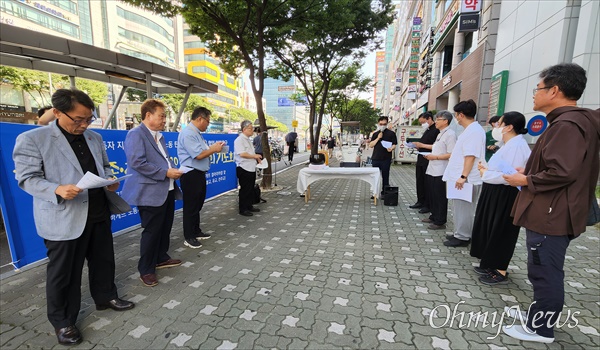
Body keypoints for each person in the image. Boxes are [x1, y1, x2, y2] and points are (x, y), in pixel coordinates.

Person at [12, 88, 134, 346]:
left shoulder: (94, 138)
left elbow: (105, 166)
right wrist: (56, 189)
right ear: (57, 112)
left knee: (103, 260)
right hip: (63, 215)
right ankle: (63, 321)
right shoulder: (33, 139)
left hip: (98, 210)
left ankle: (105, 297)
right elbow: (26, 178)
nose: (83, 124)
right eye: (78, 119)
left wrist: (110, 180)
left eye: (88, 119)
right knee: (64, 273)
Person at [502, 63, 599, 343]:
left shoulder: (567, 124)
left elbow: (562, 171)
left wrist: (525, 181)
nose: (535, 94)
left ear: (554, 90)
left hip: (551, 213)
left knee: (545, 270)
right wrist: (529, 173)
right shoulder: (570, 122)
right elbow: (562, 166)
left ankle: (541, 328)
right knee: (542, 268)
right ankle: (538, 316)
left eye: (539, 88)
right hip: (554, 209)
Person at [121, 99, 184, 288]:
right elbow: (137, 162)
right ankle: (146, 269)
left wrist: (172, 170)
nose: (165, 120)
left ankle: (160, 257)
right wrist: (165, 172)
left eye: (165, 116)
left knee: (165, 227)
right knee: (151, 231)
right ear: (148, 115)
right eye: (162, 116)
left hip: (167, 189)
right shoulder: (136, 134)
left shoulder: (159, 136)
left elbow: (163, 160)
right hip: (149, 192)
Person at [470, 112, 531, 285]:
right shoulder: (507, 144)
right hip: (495, 191)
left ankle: (500, 270)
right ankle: (489, 264)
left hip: (507, 194)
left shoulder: (518, 146)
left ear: (509, 127)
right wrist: (486, 169)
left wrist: (484, 173)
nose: (496, 127)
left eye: (499, 124)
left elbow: (508, 175)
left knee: (502, 230)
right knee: (491, 227)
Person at [177, 107, 224, 249]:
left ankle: (196, 231)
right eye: (207, 121)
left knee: (197, 204)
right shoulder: (188, 133)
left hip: (198, 174)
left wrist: (214, 148)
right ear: (200, 119)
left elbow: (203, 151)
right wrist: (213, 149)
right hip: (191, 174)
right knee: (191, 206)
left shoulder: (196, 133)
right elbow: (198, 155)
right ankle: (189, 236)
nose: (208, 125)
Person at [442, 99, 486, 247]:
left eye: (456, 115)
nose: (456, 118)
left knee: (465, 208)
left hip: (466, 178)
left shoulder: (474, 131)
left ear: (461, 115)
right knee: (459, 207)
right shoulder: (471, 130)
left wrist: (463, 176)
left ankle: (463, 236)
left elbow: (470, 156)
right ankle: (459, 232)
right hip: (461, 176)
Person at [422, 111, 456, 230]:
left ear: (445, 121)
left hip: (441, 169)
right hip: (433, 168)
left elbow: (451, 154)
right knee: (432, 193)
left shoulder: (450, 134)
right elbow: (437, 147)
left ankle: (440, 220)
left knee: (439, 195)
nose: (435, 121)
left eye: (438, 119)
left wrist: (435, 157)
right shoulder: (440, 133)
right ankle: (434, 215)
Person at [410, 111, 439, 214]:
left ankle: (427, 204)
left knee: (427, 183)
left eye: (423, 122)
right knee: (420, 181)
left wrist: (421, 145)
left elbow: (436, 146)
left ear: (429, 119)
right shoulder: (427, 130)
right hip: (421, 158)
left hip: (429, 160)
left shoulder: (436, 131)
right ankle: (420, 201)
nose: (422, 125)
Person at [235, 120, 263, 216]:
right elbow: (242, 153)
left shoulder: (248, 140)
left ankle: (249, 205)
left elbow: (251, 153)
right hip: (243, 168)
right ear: (244, 129)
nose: (253, 130)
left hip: (250, 167)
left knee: (250, 188)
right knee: (245, 189)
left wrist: (257, 158)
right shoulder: (239, 140)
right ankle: (243, 209)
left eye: (253, 129)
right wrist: (254, 156)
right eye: (251, 129)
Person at [369, 116, 398, 194]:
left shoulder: (391, 134)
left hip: (386, 158)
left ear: (387, 124)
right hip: (376, 158)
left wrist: (391, 148)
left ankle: (385, 192)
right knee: (375, 177)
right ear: (378, 124)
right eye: (381, 124)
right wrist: (378, 138)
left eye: (384, 124)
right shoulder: (375, 134)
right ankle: (375, 192)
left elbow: (394, 144)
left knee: (385, 176)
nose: (382, 125)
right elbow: (371, 145)